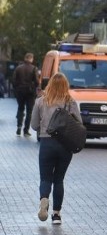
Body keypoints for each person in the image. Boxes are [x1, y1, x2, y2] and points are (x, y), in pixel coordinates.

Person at [31, 73, 82, 225]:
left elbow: (34, 125)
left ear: (50, 85)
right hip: (65, 145)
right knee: (58, 180)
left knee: (45, 178)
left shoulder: (40, 101)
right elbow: (79, 123)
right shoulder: (70, 102)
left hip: (46, 143)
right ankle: (56, 215)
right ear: (65, 86)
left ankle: (44, 199)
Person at [12, 53, 39, 136]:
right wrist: (34, 87)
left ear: (25, 58)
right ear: (31, 59)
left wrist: (17, 89)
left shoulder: (18, 68)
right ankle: (26, 130)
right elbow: (37, 82)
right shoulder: (34, 68)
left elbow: (13, 80)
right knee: (29, 111)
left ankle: (19, 126)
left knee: (20, 108)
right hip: (30, 92)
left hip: (20, 91)